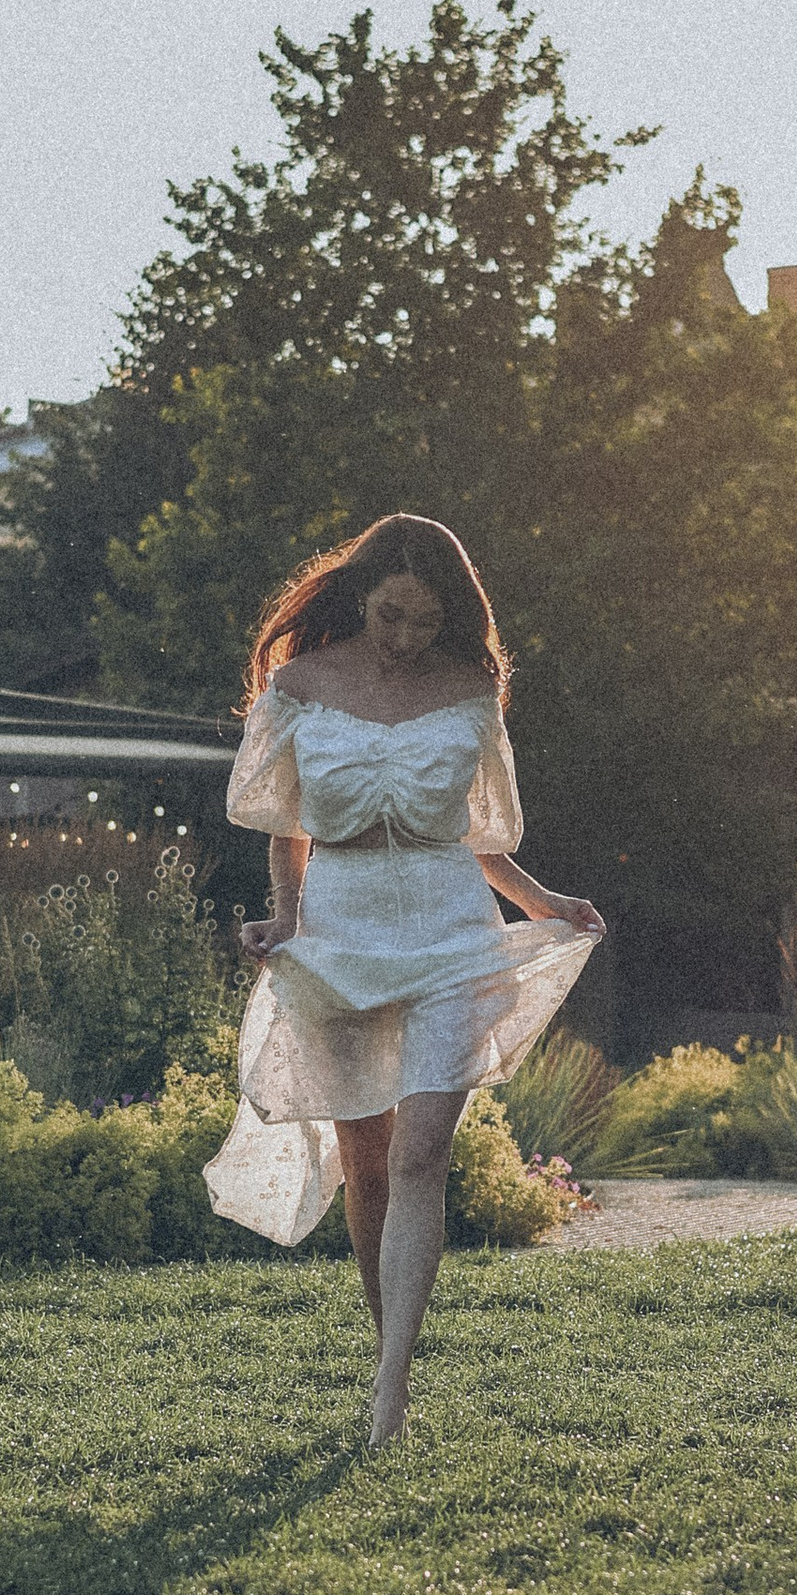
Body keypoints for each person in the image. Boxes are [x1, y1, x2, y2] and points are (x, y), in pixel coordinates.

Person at [204, 513, 608, 1444]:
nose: (404, 638)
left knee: (425, 1149)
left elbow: (478, 836)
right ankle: (391, 1345)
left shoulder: (470, 691)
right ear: (360, 598)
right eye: (390, 615)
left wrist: (543, 900)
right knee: (370, 1165)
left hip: (448, 932)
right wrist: (288, 920)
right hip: (340, 929)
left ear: (450, 617)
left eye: (425, 621)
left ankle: (390, 1399)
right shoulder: (301, 686)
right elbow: (287, 824)